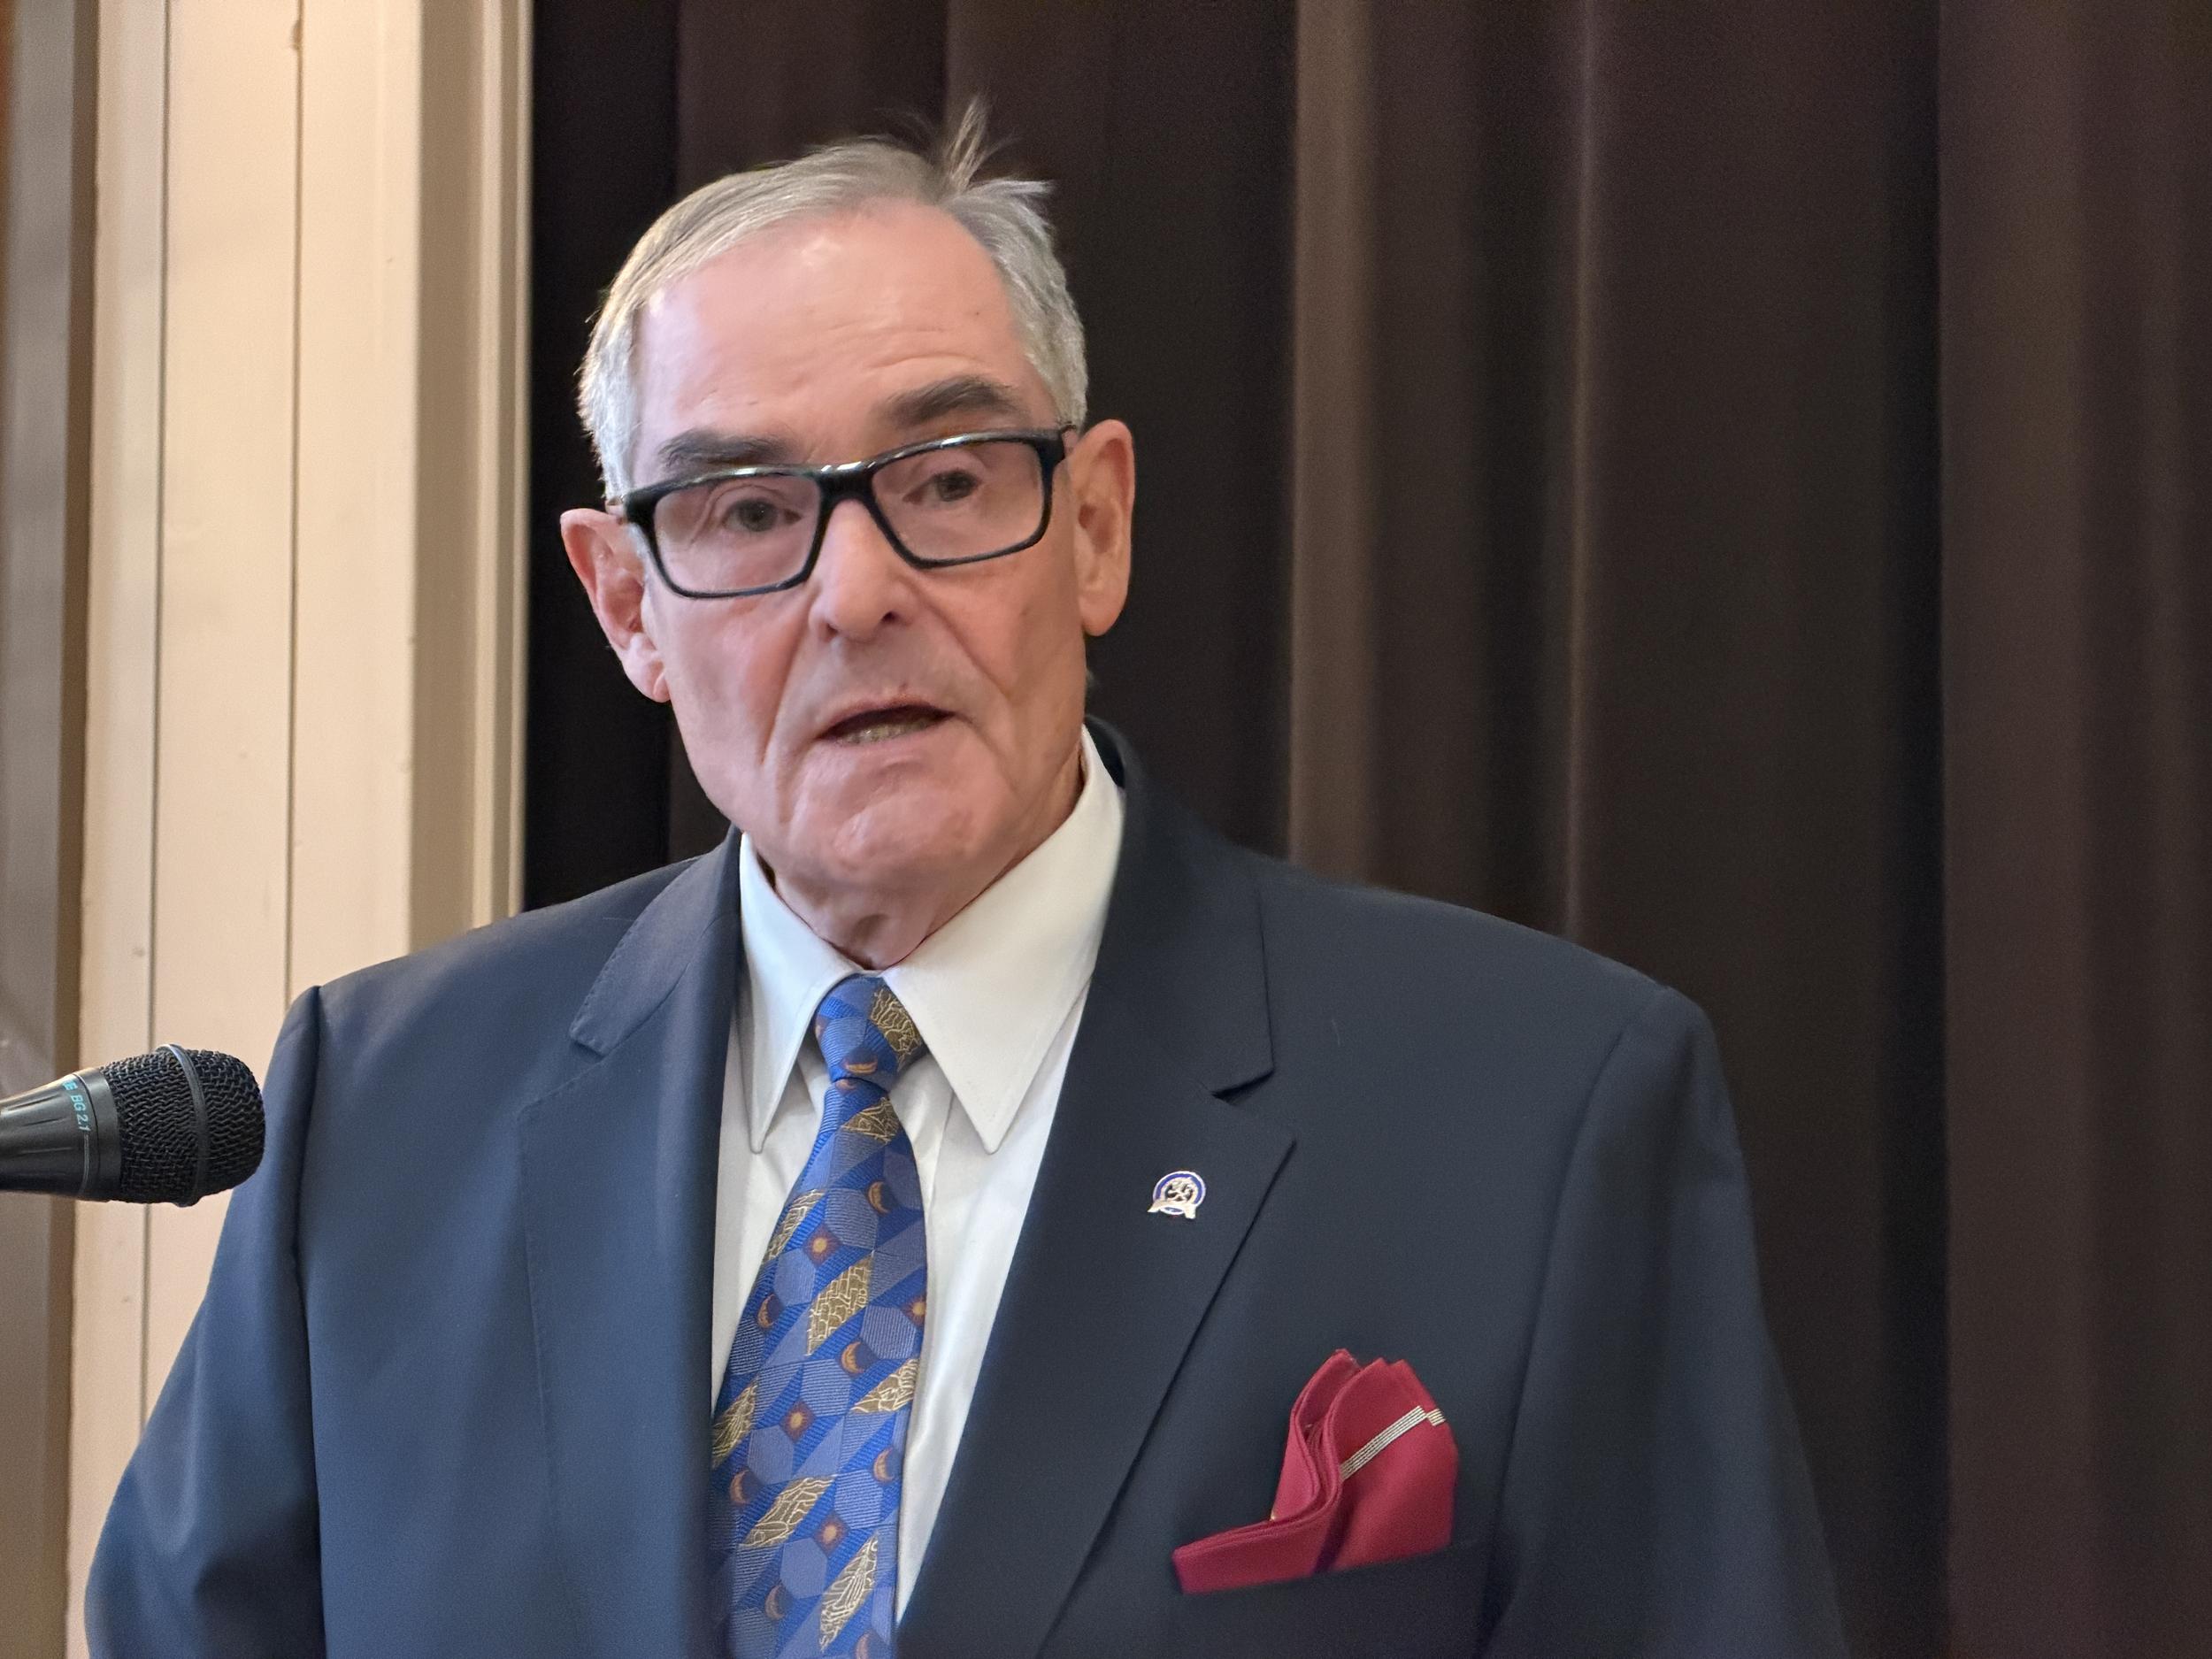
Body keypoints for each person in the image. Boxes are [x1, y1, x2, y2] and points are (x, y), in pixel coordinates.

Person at [88, 111, 1847, 1658]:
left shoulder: (1533, 1111)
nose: (855, 591)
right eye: (742, 512)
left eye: (943, 482)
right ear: (627, 604)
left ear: (1095, 526)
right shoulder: (382, 1111)